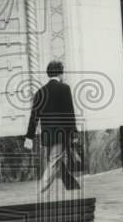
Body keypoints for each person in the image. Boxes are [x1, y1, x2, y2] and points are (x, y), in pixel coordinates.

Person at [24, 60, 82, 193]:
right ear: (60, 73)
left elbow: (34, 116)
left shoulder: (40, 92)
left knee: (56, 160)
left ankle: (71, 184)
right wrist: (74, 133)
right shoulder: (64, 88)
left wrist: (29, 137)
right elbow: (69, 113)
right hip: (60, 134)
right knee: (54, 161)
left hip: (47, 135)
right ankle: (39, 190)